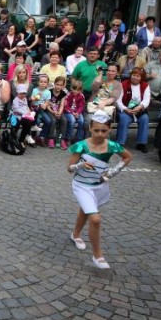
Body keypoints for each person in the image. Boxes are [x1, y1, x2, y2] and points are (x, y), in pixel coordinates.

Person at [67, 110, 133, 269]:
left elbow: (128, 157)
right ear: (90, 128)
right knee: (95, 219)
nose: (99, 134)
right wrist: (81, 165)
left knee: (86, 209)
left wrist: (110, 173)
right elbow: (69, 168)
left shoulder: (112, 146)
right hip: (81, 186)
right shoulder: (81, 145)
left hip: (99, 186)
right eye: (96, 130)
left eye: (104, 130)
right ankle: (98, 255)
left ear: (110, 129)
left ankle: (75, 234)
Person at [115, 67, 151, 152]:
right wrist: (125, 109)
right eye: (133, 75)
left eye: (138, 76)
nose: (135, 77)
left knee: (145, 119)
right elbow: (118, 101)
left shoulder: (145, 85)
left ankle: (141, 143)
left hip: (139, 110)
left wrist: (140, 107)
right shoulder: (123, 84)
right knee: (124, 119)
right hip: (125, 109)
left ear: (141, 78)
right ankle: (120, 143)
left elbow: (146, 100)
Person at [63, 79, 86, 149]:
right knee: (72, 121)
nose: (75, 91)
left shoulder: (81, 96)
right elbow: (66, 106)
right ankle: (68, 138)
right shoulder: (68, 95)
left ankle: (78, 139)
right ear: (71, 88)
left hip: (77, 112)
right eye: (74, 89)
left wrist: (78, 113)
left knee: (81, 121)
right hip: (68, 112)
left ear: (81, 90)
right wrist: (72, 112)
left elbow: (81, 106)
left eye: (78, 90)